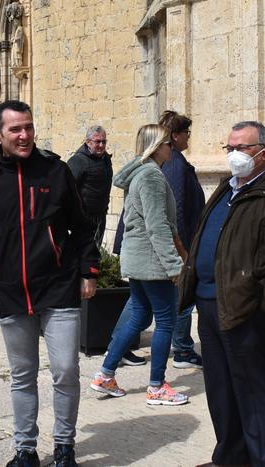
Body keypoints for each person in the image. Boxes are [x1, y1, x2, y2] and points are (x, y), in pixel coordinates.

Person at [0, 100, 99, 467]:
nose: (24, 136)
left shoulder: (55, 172)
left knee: (66, 371)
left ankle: (65, 447)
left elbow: (82, 225)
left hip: (58, 286)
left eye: (28, 127)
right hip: (11, 291)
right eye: (15, 129)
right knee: (22, 374)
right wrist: (1, 257)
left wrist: (87, 270)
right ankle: (25, 451)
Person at [178, 121, 265, 467]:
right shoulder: (227, 188)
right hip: (211, 306)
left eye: (242, 148)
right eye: (230, 148)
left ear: (263, 154)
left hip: (247, 312)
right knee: (222, 393)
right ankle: (231, 458)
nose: (234, 155)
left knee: (258, 396)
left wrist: (264, 301)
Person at [89, 124, 190, 406]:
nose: (172, 147)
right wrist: (173, 265)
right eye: (168, 143)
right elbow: (157, 224)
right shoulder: (151, 176)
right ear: (157, 146)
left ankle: (106, 373)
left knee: (139, 315)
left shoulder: (142, 174)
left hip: (139, 257)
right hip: (151, 259)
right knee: (166, 320)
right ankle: (156, 386)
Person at [158, 110, 204, 368]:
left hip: (181, 240)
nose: (189, 137)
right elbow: (176, 209)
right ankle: (183, 350)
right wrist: (184, 249)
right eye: (187, 132)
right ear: (175, 136)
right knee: (183, 296)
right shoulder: (175, 162)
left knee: (142, 304)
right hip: (182, 243)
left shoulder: (174, 159)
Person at [68, 125, 113, 246]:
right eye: (97, 141)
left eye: (104, 141)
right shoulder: (78, 161)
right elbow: (68, 189)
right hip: (84, 218)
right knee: (84, 254)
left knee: (96, 252)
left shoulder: (106, 159)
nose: (101, 145)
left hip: (101, 215)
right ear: (88, 142)